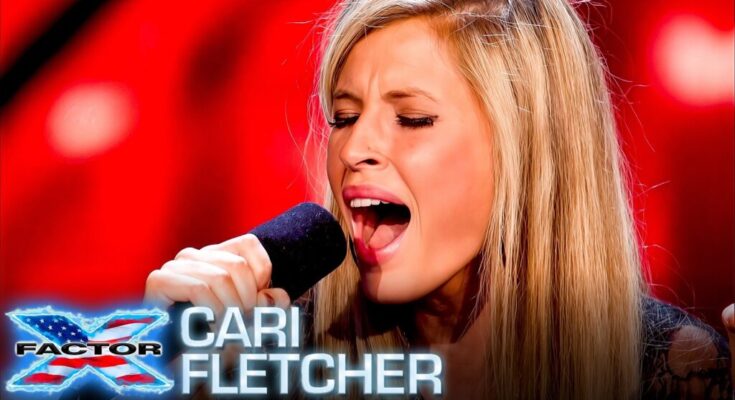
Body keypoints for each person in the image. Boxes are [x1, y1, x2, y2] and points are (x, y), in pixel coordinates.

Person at [144, 0, 734, 398]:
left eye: (412, 118)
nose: (354, 148)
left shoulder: (673, 370)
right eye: (344, 117)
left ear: (527, 149)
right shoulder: (272, 356)